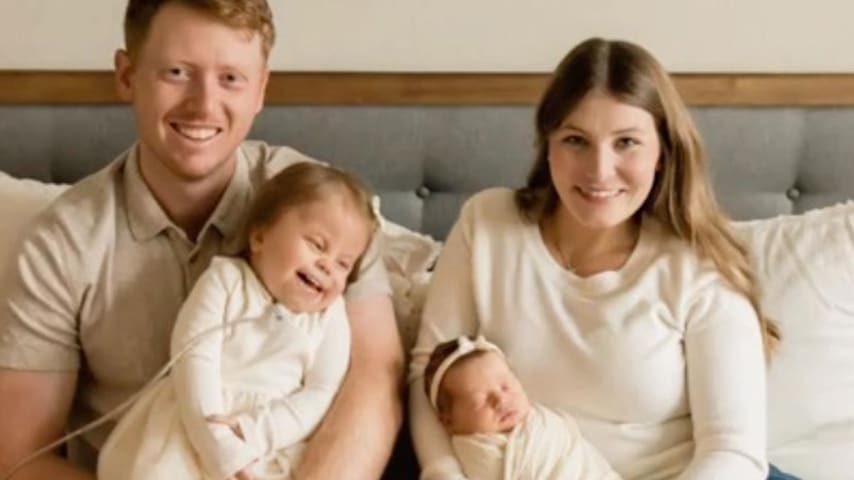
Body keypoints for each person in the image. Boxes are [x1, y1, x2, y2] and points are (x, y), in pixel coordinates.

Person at [0, 2, 402, 479]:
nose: (204, 105)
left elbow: (376, 379)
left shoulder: (330, 211)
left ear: (261, 89)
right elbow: (21, 459)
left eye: (230, 78)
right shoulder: (62, 243)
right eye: (176, 72)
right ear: (127, 76)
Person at [409, 37, 788, 480]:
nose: (599, 171)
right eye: (575, 140)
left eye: (626, 142)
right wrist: (442, 473)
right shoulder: (487, 223)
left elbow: (733, 453)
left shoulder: (700, 268)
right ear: (546, 144)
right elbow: (427, 372)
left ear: (662, 152)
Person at [424, 335, 621, 480]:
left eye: (505, 386)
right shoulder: (475, 453)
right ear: (448, 421)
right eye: (480, 399)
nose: (500, 400)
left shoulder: (545, 425)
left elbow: (583, 460)